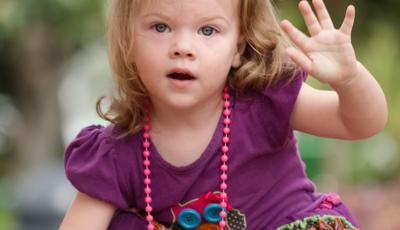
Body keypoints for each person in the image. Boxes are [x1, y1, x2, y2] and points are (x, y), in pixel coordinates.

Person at [60, 0, 387, 229]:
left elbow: (359, 122)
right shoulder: (115, 155)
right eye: (161, 27)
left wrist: (349, 78)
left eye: (207, 31)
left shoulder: (262, 100)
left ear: (238, 47)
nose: (183, 47)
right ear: (128, 40)